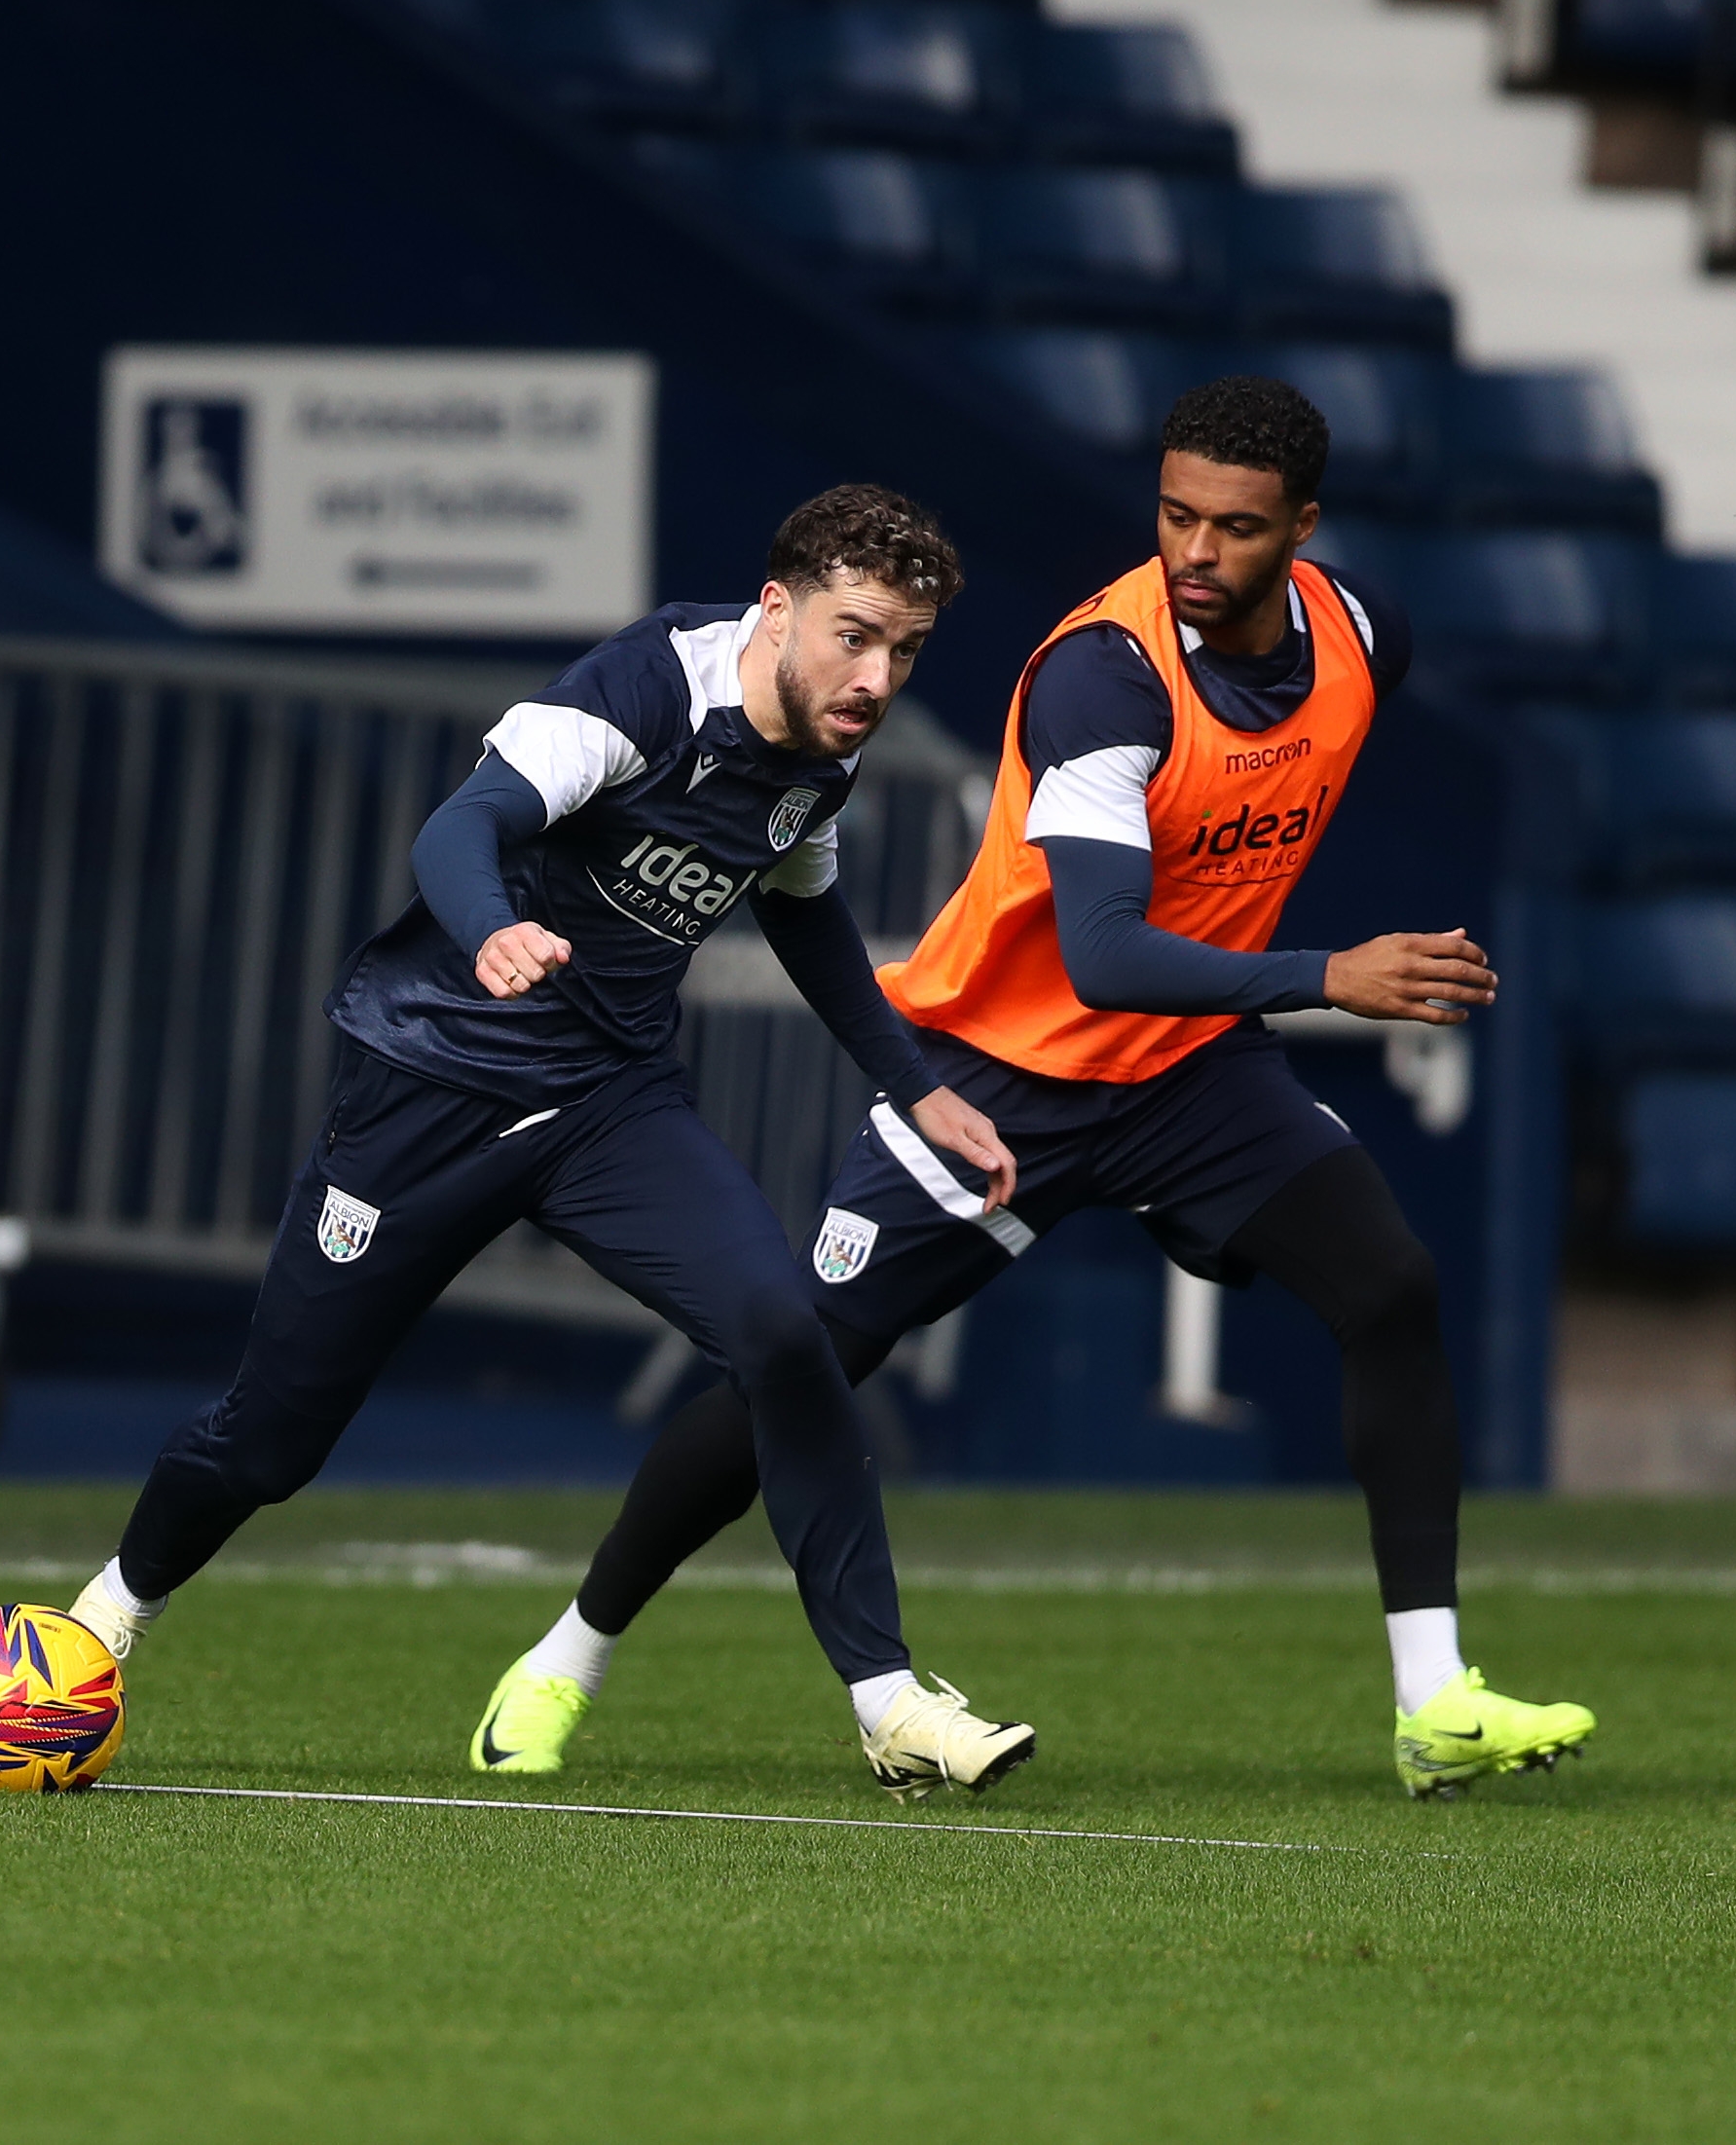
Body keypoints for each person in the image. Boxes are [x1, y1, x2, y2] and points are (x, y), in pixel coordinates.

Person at [467, 379, 1598, 1801]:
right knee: (799, 1369)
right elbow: (1106, 949)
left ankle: (1433, 1700)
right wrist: (1332, 973)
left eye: (1237, 528)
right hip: (998, 1073)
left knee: (1391, 1287)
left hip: (1187, 1070)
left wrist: (1278, 966)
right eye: (1176, 513)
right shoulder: (1101, 675)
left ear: (1303, 531)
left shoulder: (1365, 636)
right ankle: (571, 1651)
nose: (1194, 550)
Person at [62, 484, 1040, 1800]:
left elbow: (801, 904)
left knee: (781, 1332)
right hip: (431, 1082)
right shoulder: (640, 690)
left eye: (906, 650)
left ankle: (888, 1699)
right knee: (270, 1441)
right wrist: (490, 929)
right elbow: (460, 825)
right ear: (777, 606)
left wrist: (913, 1083)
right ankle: (107, 1618)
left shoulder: (824, 748)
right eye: (854, 635)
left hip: (607, 1103)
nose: (876, 676)